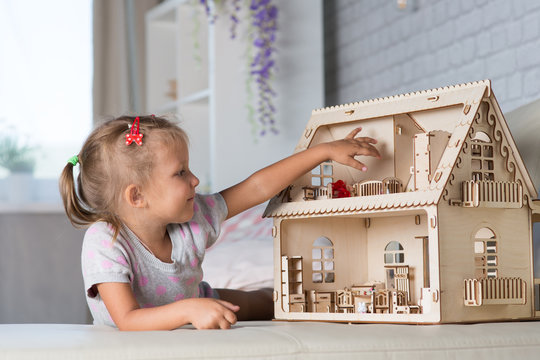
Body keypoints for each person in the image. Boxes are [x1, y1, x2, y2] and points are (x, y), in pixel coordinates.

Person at [59, 115, 381, 331]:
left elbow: (256, 187)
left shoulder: (192, 217)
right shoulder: (105, 240)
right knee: (228, 306)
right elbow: (127, 319)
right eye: (180, 173)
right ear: (137, 196)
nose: (195, 179)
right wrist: (189, 310)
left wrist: (322, 151)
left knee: (272, 301)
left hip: (198, 299)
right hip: (168, 316)